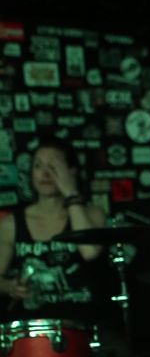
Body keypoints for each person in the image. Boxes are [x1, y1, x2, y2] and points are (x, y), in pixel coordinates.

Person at [0, 136, 106, 321]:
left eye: (54, 166)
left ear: (71, 172)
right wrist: (11, 286)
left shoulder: (93, 214)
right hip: (32, 328)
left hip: (80, 325)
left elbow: (90, 251)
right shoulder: (11, 223)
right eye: (38, 166)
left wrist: (71, 193)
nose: (45, 173)